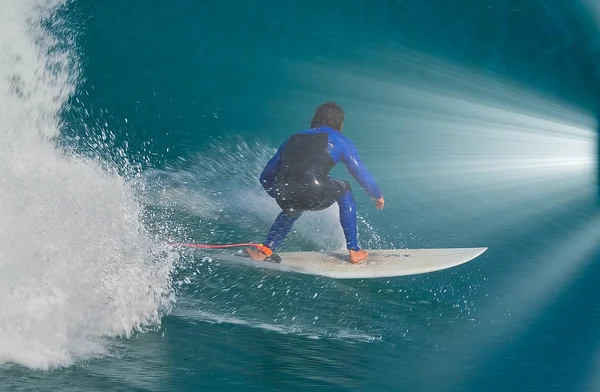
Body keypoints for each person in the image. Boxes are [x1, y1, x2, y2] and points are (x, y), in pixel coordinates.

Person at [245, 102, 384, 264]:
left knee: (293, 206)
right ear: (339, 123)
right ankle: (354, 249)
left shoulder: (293, 138)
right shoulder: (341, 140)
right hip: (315, 191)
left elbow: (265, 176)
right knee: (344, 188)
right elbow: (360, 173)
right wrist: (377, 195)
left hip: (284, 193)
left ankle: (266, 250)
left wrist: (277, 193)